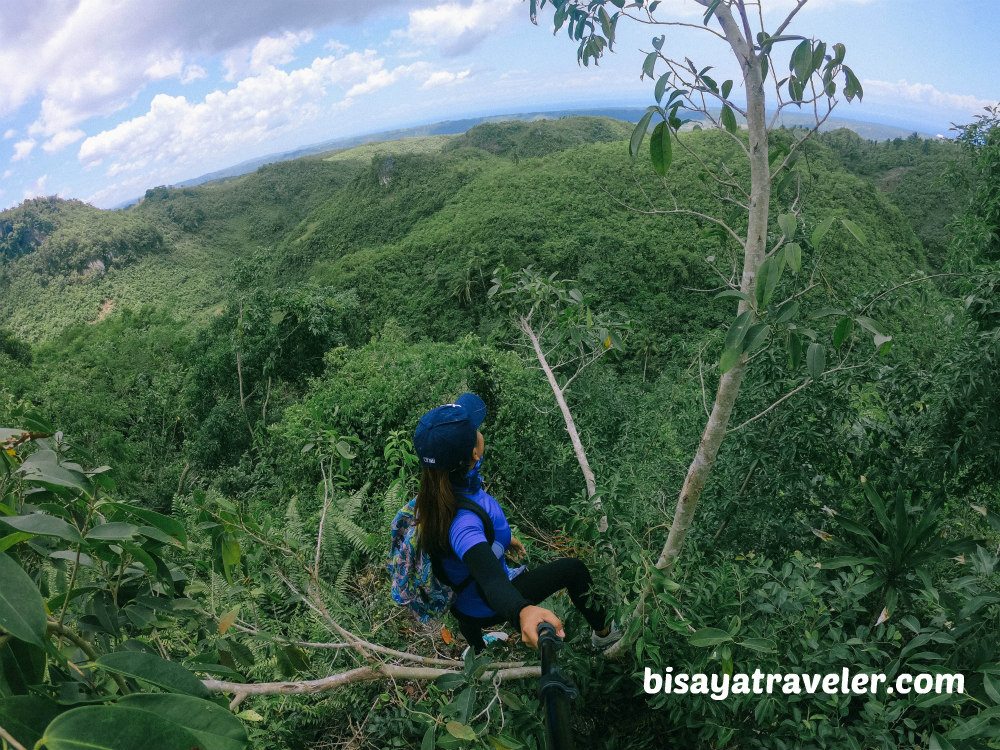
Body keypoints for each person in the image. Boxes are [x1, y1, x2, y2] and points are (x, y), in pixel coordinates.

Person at [413, 393, 621, 653]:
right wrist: (522, 611)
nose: (478, 431)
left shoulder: (434, 496)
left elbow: (466, 552)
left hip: (462, 603)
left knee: (469, 595)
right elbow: (491, 580)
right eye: (474, 430)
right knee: (574, 569)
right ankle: (604, 635)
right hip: (487, 604)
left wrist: (500, 540)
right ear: (474, 453)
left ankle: (477, 650)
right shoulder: (463, 524)